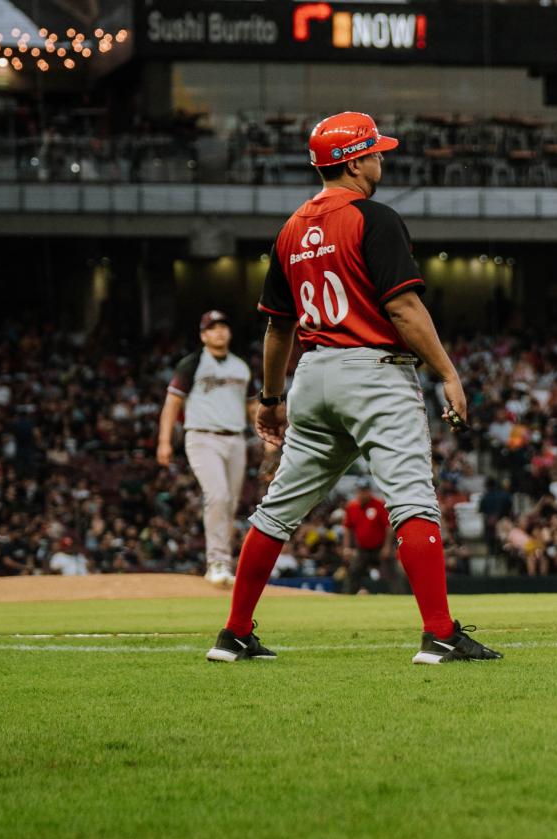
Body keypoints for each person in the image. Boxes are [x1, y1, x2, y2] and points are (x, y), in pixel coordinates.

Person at [207, 110, 501, 664]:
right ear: (356, 160)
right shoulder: (374, 218)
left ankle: (235, 632)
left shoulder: (291, 229)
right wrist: (448, 372)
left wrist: (270, 399)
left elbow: (278, 325)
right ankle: (440, 634)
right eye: (376, 151)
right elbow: (404, 307)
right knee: (413, 498)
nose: (382, 159)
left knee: (276, 512)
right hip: (374, 372)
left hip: (312, 374)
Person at [156, 310, 261, 586]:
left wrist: (265, 435)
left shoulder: (241, 366)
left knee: (230, 503)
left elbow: (252, 405)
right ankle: (216, 561)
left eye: (223, 327)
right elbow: (172, 403)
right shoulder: (191, 364)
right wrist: (164, 441)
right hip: (202, 437)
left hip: (236, 438)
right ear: (203, 335)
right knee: (218, 495)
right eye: (212, 328)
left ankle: (223, 562)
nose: (219, 332)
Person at [341, 481, 395, 594]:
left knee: (391, 573)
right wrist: (346, 547)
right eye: (360, 491)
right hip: (362, 548)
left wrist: (387, 547)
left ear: (369, 491)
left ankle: (397, 595)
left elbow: (388, 527)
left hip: (379, 547)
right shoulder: (352, 506)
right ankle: (348, 596)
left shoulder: (379, 504)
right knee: (354, 571)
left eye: (365, 491)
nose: (362, 494)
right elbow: (347, 528)